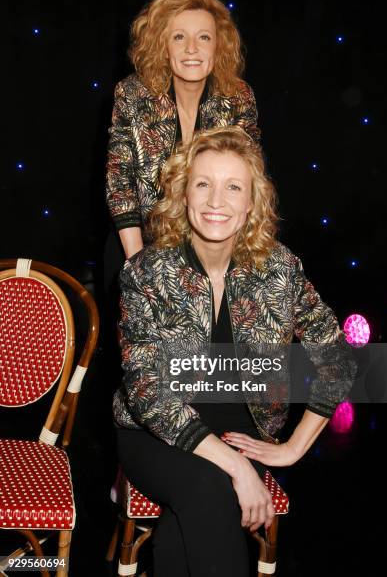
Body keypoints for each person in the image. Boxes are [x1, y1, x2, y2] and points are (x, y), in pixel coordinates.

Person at [114, 126, 356, 576]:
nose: (215, 201)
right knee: (212, 486)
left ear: (251, 205)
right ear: (184, 196)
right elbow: (147, 391)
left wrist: (293, 448)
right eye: (203, 184)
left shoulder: (279, 268)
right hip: (155, 436)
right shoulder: (146, 272)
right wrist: (239, 469)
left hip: (244, 433)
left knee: (190, 522)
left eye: (233, 187)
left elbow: (336, 355)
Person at [105, 0, 260, 267]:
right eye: (179, 37)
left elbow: (248, 179)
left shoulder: (239, 97)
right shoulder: (131, 94)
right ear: (162, 46)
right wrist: (140, 265)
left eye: (204, 37)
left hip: (214, 246)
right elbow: (120, 184)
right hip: (138, 243)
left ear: (218, 45)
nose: (191, 48)